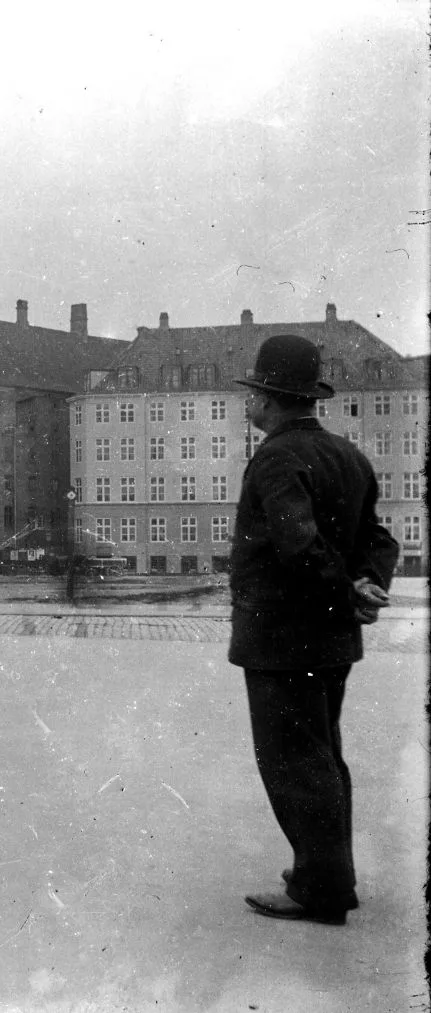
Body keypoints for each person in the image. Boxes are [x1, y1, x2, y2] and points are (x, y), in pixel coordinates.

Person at [230, 334, 399, 926]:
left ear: (270, 398)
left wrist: (344, 587)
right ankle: (324, 873)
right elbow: (379, 539)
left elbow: (297, 543)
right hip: (331, 641)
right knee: (323, 758)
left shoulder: (277, 457)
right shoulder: (347, 455)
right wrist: (368, 583)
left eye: (251, 393)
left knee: (295, 764)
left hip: (282, 639)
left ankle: (320, 890)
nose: (247, 403)